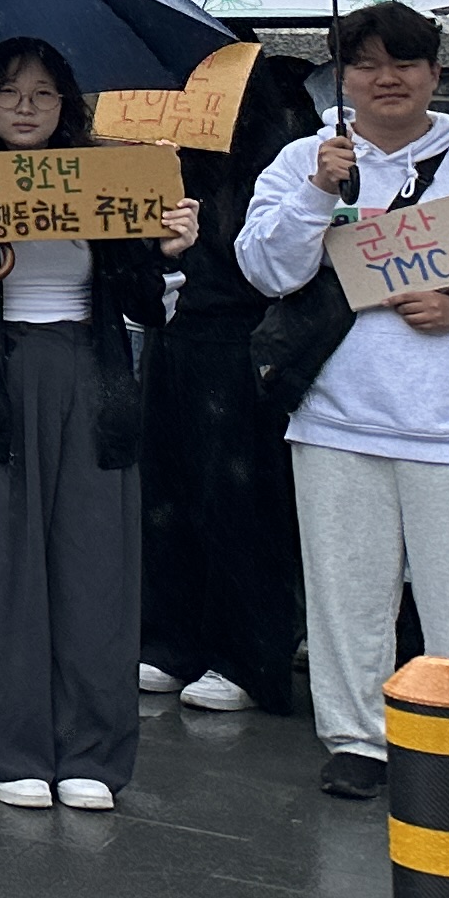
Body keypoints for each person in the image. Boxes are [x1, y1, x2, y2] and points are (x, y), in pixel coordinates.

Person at [234, 1, 449, 801]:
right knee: (346, 595)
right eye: (366, 64)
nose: (386, 78)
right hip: (337, 420)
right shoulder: (304, 162)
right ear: (342, 78)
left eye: (403, 62)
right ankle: (356, 739)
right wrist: (316, 192)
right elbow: (265, 270)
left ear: (435, 73)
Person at [0, 39, 196, 812]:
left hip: (91, 375)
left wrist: (167, 252)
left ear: (65, 105)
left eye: (43, 93)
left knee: (96, 564)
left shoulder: (108, 182)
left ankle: (93, 751)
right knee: (2, 569)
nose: (25, 107)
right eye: (8, 91)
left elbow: (145, 305)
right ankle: (14, 751)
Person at [138, 56, 323, 717]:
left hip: (239, 336)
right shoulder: (159, 137)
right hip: (172, 331)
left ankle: (246, 655)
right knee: (166, 491)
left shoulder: (275, 141)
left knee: (238, 501)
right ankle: (171, 640)